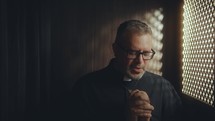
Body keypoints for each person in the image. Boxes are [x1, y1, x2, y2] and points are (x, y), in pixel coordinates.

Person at [54, 20, 182, 121]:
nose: (140, 62)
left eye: (146, 53)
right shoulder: (86, 88)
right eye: (132, 52)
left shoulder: (164, 87)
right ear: (115, 50)